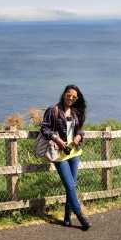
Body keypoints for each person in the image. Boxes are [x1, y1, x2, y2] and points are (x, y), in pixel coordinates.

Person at [40, 84, 91, 231]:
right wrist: (57, 139)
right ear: (64, 94)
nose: (71, 98)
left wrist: (78, 136)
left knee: (71, 186)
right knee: (70, 185)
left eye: (74, 97)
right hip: (59, 154)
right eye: (69, 95)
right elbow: (44, 128)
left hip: (74, 153)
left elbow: (80, 129)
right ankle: (81, 216)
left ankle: (67, 217)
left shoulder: (76, 112)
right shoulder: (53, 110)